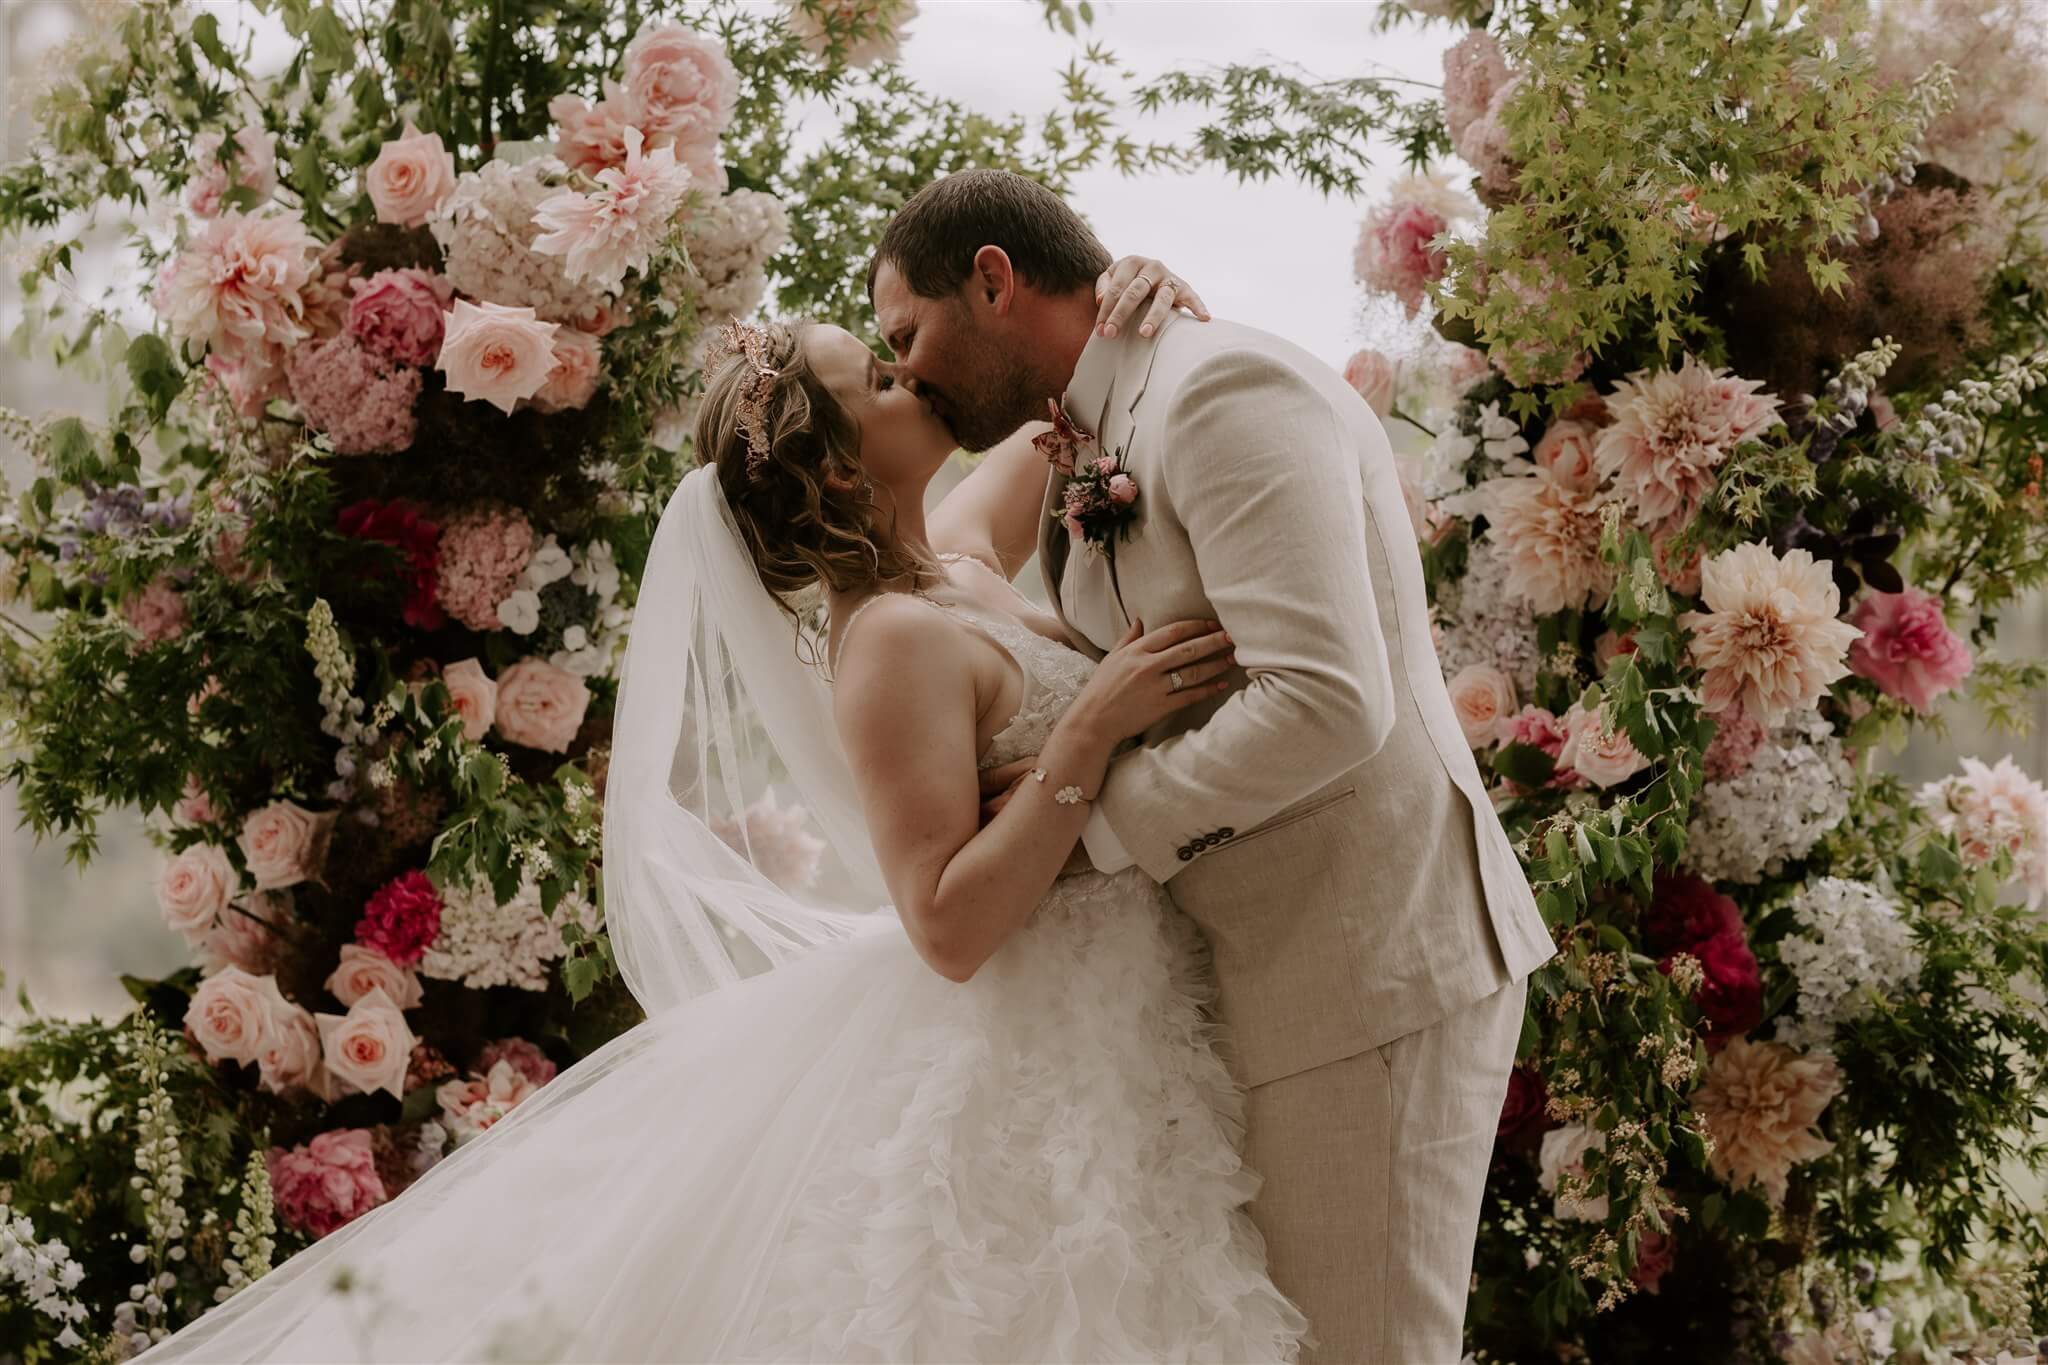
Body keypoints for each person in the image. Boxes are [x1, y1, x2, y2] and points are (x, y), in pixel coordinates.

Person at [130, 267, 1320, 1361]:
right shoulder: (891, 642)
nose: (920, 380)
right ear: (849, 469)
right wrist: (1083, 736)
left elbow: (1060, 395)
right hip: (1036, 1030)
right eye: (887, 380)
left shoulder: (950, 570)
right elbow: (947, 930)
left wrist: (1137, 286)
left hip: (1115, 1005)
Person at [867, 168, 1558, 1363]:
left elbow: (1327, 700)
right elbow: (939, 557)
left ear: (990, 278)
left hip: (1364, 963)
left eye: (906, 335)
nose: (908, 372)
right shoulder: (1093, 420)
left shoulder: (1217, 388)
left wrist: (1078, 827)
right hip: (1258, 970)